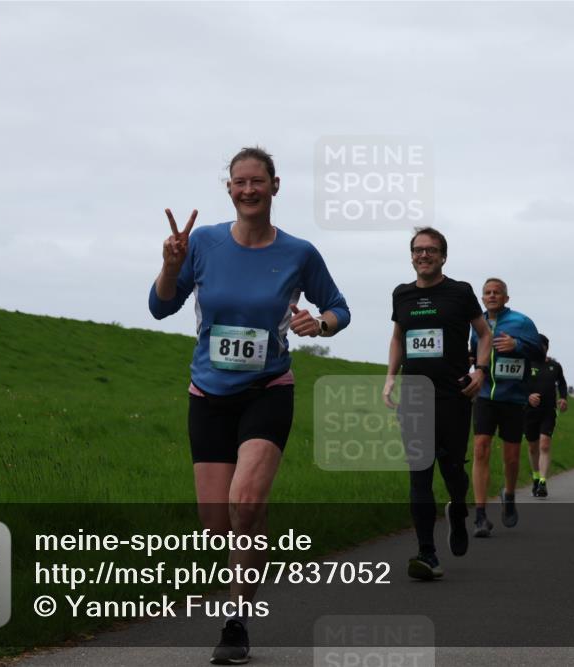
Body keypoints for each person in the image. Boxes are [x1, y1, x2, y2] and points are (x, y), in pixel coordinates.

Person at [149, 147, 351, 664]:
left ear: (274, 186)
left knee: (246, 501)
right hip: (208, 395)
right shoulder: (204, 244)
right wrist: (170, 265)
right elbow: (161, 306)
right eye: (239, 182)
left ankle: (236, 621)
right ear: (229, 188)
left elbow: (338, 308)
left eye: (257, 181)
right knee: (217, 522)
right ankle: (254, 538)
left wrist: (319, 324)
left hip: (268, 390)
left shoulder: (299, 252)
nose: (247, 190)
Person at [384, 227, 491, 580]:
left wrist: (480, 370)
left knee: (452, 470)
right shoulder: (402, 295)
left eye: (431, 250)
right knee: (419, 475)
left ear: (443, 256)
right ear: (411, 255)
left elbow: (484, 332)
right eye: (418, 250)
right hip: (414, 397)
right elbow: (399, 337)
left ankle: (458, 510)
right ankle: (426, 554)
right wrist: (390, 378)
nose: (424, 255)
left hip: (454, 396)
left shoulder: (459, 292)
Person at [468, 279, 540, 534]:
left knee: (510, 457)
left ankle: (508, 495)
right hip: (486, 395)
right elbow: (473, 352)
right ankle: (480, 514)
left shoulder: (521, 322)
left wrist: (517, 345)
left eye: (497, 292)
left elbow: (540, 352)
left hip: (513, 398)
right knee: (480, 449)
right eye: (487, 293)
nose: (492, 296)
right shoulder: (477, 323)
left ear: (506, 298)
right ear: (482, 298)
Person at [524, 334, 568, 498]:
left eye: (542, 346)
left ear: (546, 348)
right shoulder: (526, 364)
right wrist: (528, 396)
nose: (539, 348)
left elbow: (562, 383)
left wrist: (563, 397)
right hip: (529, 411)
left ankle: (543, 481)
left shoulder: (555, 366)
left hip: (548, 411)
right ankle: (535, 477)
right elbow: (518, 384)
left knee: (544, 445)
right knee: (532, 446)